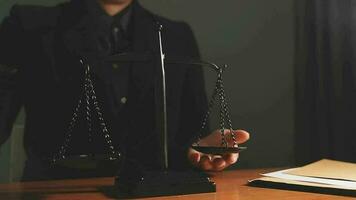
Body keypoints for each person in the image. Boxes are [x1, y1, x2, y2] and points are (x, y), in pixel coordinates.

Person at [0, 0, 249, 181]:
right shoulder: (29, 27)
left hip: (154, 193)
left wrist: (202, 148)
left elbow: (193, 134)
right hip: (61, 190)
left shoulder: (176, 35)